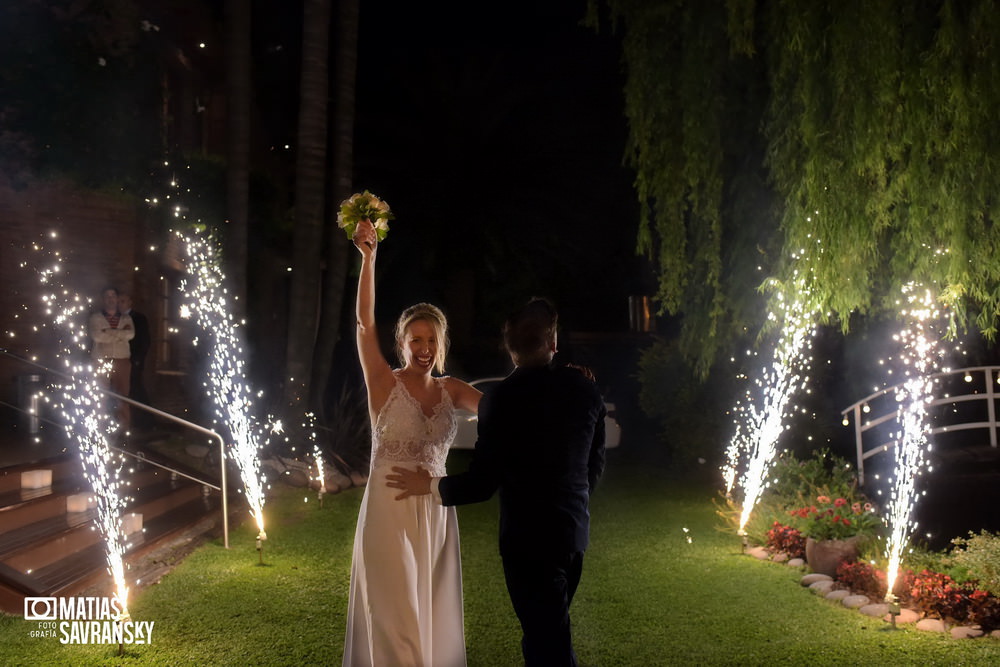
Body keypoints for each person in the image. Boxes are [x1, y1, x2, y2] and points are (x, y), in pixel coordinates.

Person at [387, 298, 607, 667]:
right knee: (546, 632)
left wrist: (430, 484)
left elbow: (481, 483)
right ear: (552, 344)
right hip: (572, 534)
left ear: (508, 347)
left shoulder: (502, 399)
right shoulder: (584, 387)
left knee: (548, 642)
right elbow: (595, 463)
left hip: (527, 545)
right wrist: (576, 499)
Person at [343, 218, 481, 667]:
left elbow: (510, 411)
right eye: (414, 339)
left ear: (441, 343)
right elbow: (364, 324)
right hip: (389, 510)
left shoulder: (453, 390)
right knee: (395, 617)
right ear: (401, 343)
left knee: (429, 616)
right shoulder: (383, 382)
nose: (423, 347)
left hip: (436, 516)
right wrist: (369, 258)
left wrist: (556, 380)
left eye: (431, 339)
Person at [88, 286, 135, 428]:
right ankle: (99, 427)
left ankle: (123, 427)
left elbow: (131, 334)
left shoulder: (126, 318)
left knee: (123, 395)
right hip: (101, 359)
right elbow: (97, 336)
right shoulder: (96, 318)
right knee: (100, 394)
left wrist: (108, 331)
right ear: (103, 299)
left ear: (117, 298)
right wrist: (120, 334)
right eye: (107, 296)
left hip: (122, 359)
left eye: (113, 296)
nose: (111, 299)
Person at [119, 292, 151, 428]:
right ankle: (131, 422)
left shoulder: (138, 318)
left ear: (129, 302)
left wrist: (137, 359)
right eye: (119, 301)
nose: (120, 304)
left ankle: (144, 422)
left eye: (123, 301)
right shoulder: (117, 318)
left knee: (136, 389)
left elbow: (144, 340)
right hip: (122, 359)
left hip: (134, 360)